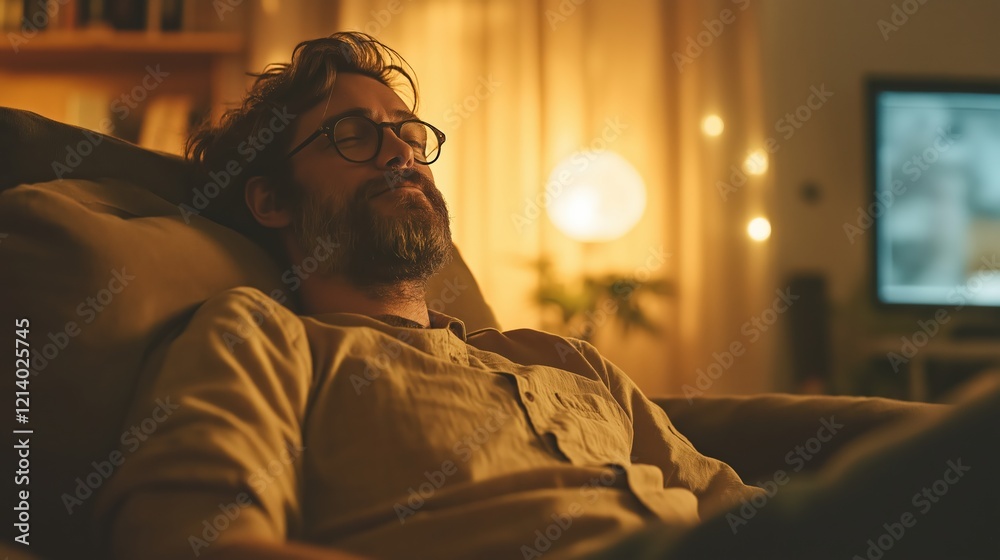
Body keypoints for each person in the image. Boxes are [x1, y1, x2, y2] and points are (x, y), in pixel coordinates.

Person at [93, 32, 1000, 560]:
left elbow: (736, 506)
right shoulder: (263, 337)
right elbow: (196, 541)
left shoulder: (560, 358)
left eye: (409, 137)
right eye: (356, 137)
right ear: (270, 199)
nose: (404, 154)